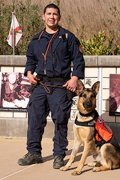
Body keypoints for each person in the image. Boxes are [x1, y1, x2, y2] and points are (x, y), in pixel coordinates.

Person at [18, 3, 85, 169]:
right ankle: (33, 153)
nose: (51, 16)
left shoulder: (68, 38)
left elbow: (78, 60)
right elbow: (30, 60)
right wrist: (28, 73)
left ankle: (59, 155)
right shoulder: (36, 39)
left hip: (61, 85)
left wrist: (75, 78)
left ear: (59, 17)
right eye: (48, 13)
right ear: (43, 16)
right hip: (40, 85)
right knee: (34, 119)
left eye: (55, 14)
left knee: (60, 120)